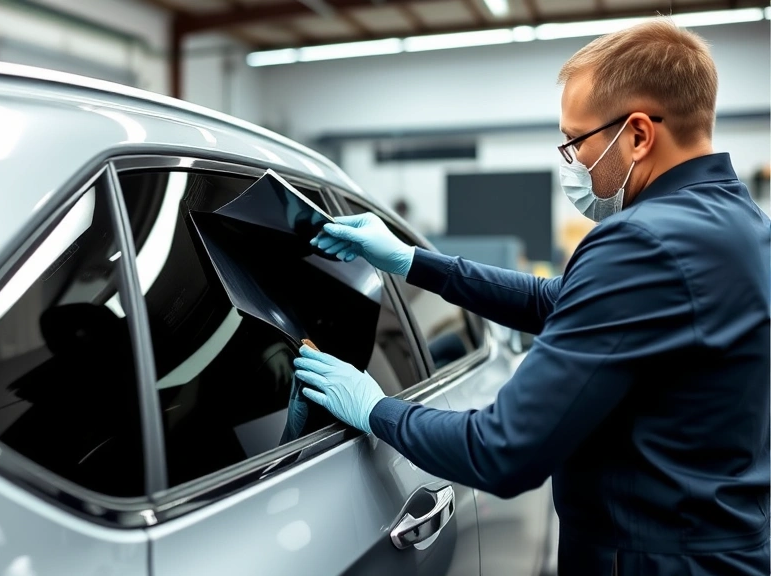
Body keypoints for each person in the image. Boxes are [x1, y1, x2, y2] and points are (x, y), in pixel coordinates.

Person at [295, 18, 770, 576]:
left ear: (638, 134)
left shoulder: (642, 241)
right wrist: (411, 260)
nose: (574, 162)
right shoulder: (740, 224)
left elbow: (503, 451)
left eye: (577, 141)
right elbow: (563, 301)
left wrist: (377, 410)